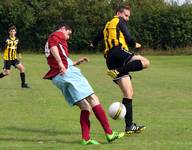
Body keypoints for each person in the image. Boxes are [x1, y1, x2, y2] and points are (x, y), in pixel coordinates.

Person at [43, 22, 124, 145]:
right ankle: (109, 133)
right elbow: (54, 47)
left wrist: (76, 62)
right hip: (67, 73)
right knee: (93, 98)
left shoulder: (56, 40)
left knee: (85, 106)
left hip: (57, 78)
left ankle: (86, 139)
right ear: (63, 29)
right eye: (68, 34)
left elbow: (61, 56)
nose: (68, 37)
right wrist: (61, 64)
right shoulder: (57, 34)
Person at [91, 5, 150, 134]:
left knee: (128, 93)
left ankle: (129, 126)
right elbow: (128, 38)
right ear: (118, 13)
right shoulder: (119, 20)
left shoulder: (107, 25)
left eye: (128, 16)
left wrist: (93, 43)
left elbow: (97, 37)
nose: (127, 19)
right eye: (126, 15)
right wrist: (134, 43)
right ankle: (119, 70)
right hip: (119, 52)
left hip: (109, 60)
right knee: (145, 62)